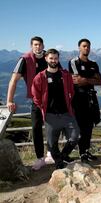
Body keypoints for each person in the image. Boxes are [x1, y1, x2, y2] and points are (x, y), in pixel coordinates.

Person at [6, 36, 52, 170]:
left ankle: (51, 154)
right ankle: (40, 158)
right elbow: (13, 80)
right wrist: (9, 100)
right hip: (35, 99)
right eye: (35, 45)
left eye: (40, 44)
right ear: (31, 46)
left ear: (43, 45)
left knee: (52, 126)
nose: (38, 47)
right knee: (36, 128)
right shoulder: (25, 60)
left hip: (52, 99)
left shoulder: (49, 57)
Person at [31, 49, 80, 169]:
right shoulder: (40, 77)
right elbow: (35, 96)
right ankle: (59, 164)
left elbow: (72, 92)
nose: (54, 61)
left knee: (75, 136)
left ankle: (62, 156)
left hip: (66, 113)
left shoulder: (65, 75)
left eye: (56, 58)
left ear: (58, 59)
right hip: (50, 115)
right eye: (51, 58)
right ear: (46, 59)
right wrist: (43, 107)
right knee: (52, 143)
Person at [68, 38, 101, 163]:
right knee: (80, 126)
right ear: (79, 47)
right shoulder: (73, 62)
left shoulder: (93, 63)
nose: (86, 48)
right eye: (84, 46)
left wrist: (86, 80)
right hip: (78, 98)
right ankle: (76, 153)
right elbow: (77, 80)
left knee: (89, 126)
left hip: (91, 98)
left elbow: (99, 81)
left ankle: (85, 151)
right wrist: (90, 79)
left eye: (88, 46)